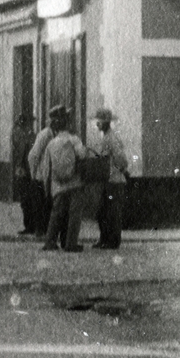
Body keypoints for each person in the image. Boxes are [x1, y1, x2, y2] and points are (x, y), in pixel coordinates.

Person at [39, 106, 87, 252]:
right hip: (75, 183)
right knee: (74, 215)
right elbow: (83, 155)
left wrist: (47, 188)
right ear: (67, 123)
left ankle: (50, 241)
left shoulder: (51, 144)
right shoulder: (74, 140)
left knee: (56, 215)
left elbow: (46, 168)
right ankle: (70, 243)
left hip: (58, 185)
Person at [90, 108, 131, 250]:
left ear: (107, 123)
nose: (97, 124)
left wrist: (122, 169)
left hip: (114, 180)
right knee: (103, 212)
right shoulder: (106, 137)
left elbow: (120, 158)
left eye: (100, 121)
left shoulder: (111, 138)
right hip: (107, 180)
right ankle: (105, 239)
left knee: (111, 213)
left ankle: (112, 241)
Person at [26, 110, 57, 235]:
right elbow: (33, 155)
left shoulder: (55, 134)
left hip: (49, 176)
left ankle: (45, 230)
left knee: (47, 205)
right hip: (40, 176)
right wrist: (33, 175)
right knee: (40, 205)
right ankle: (40, 230)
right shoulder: (45, 134)